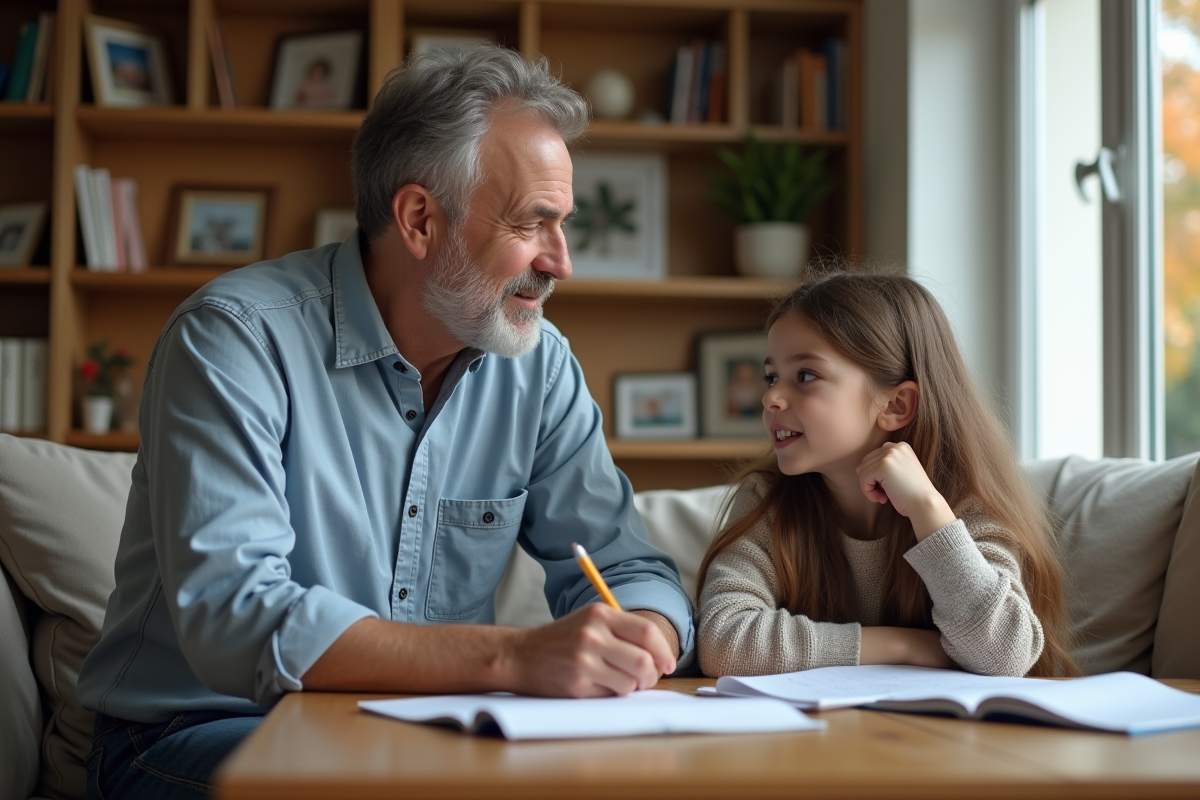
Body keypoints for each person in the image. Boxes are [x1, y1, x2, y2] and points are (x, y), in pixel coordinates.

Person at [78, 46, 694, 800]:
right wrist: (513, 659)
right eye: (536, 224)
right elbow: (236, 617)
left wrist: (646, 635)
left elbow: (626, 567)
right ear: (419, 219)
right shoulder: (234, 338)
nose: (561, 261)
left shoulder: (538, 366)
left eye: (562, 226)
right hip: (202, 732)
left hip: (430, 737)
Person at [696, 270, 1076, 680]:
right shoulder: (766, 499)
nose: (770, 397)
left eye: (805, 376)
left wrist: (927, 509)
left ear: (896, 405)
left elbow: (1004, 654)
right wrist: (905, 647)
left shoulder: (965, 502)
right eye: (772, 377)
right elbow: (722, 641)